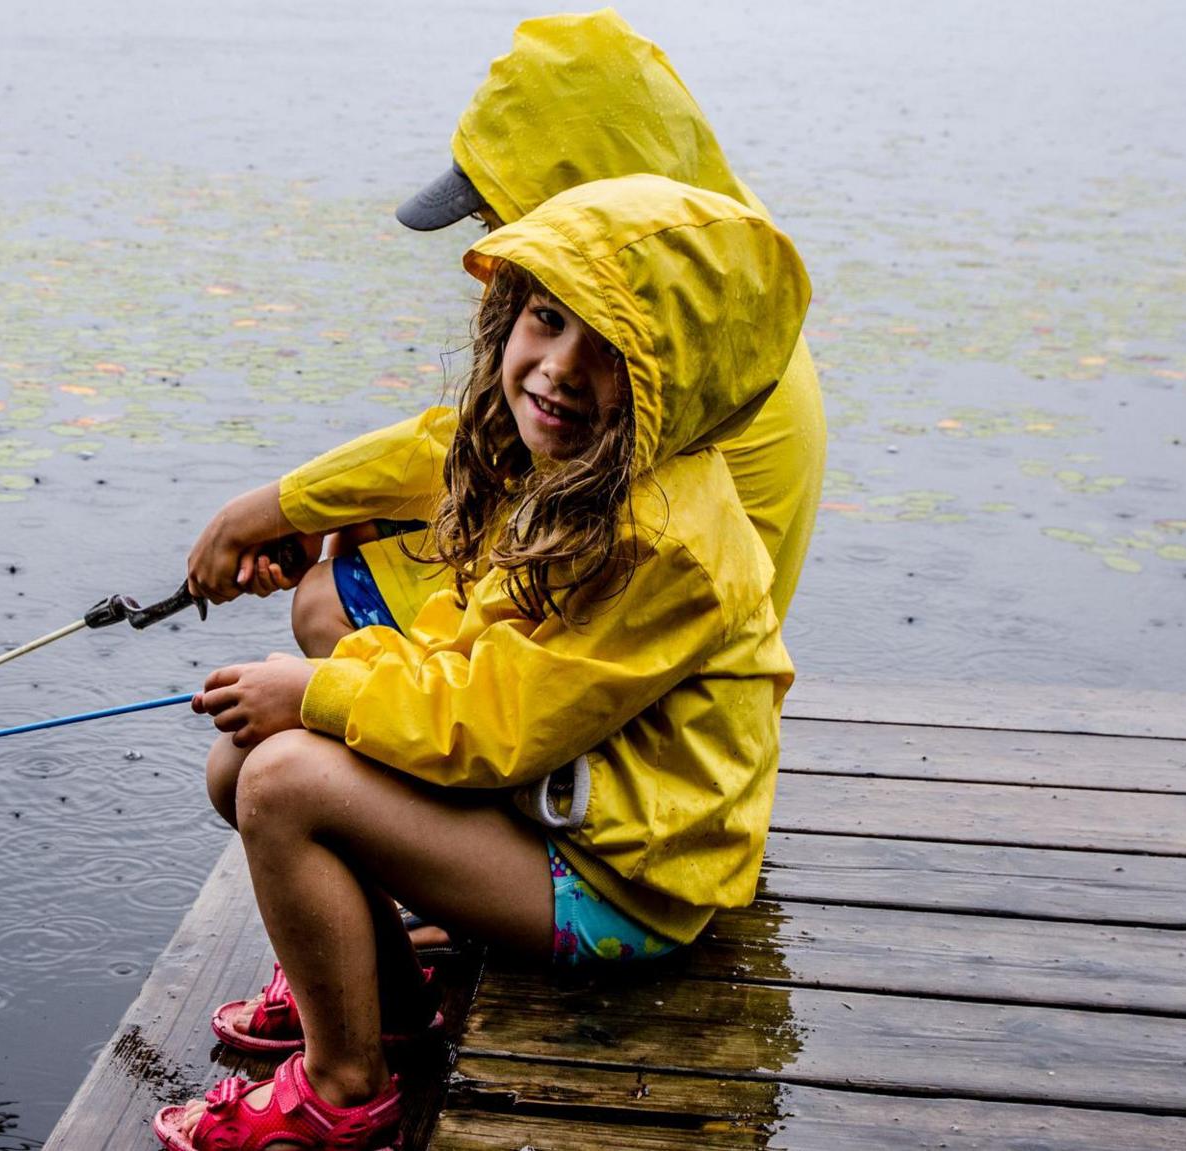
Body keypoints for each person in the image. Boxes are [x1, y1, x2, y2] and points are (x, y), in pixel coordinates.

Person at [153, 173, 810, 1151]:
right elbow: (472, 643)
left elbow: (494, 726)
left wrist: (318, 687)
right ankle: (385, 1003)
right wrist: (316, 666)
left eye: (609, 347)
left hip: (628, 879)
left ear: (677, 378)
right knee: (239, 765)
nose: (557, 366)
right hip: (554, 802)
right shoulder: (572, 465)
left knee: (284, 780)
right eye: (546, 318)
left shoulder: (658, 538)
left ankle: (343, 1090)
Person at [187, 9, 827, 651]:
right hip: (603, 548)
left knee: (328, 600)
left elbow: (501, 465)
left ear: (579, 196)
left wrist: (262, 512)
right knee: (368, 524)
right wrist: (312, 507)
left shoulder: (653, 320)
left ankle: (362, 740)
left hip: (628, 628)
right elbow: (488, 454)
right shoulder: (709, 260)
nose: (492, 248)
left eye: (497, 217)